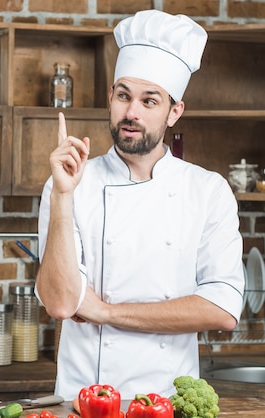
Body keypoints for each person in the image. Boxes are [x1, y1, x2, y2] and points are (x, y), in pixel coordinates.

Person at [35, 10, 245, 401]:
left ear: (174, 112)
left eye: (150, 101)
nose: (131, 113)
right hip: (81, 402)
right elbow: (62, 302)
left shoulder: (207, 191)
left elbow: (221, 310)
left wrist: (105, 312)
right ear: (111, 98)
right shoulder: (69, 184)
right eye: (123, 96)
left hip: (165, 401)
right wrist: (63, 195)